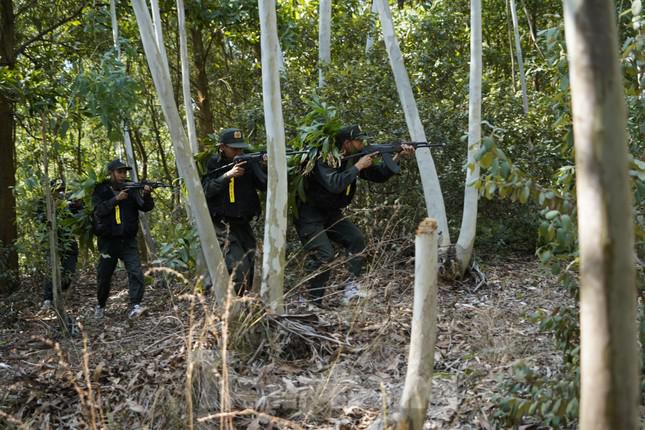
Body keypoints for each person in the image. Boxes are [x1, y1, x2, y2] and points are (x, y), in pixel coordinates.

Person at [294, 125, 414, 304]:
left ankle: (351, 288)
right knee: (324, 255)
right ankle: (312, 300)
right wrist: (358, 166)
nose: (362, 144)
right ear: (347, 143)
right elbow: (335, 183)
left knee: (356, 239)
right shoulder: (323, 158)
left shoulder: (354, 158)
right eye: (359, 141)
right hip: (309, 214)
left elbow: (379, 175)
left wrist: (397, 156)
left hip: (331, 213)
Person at [202, 128, 267, 294]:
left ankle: (246, 301)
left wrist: (264, 167)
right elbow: (206, 190)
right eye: (234, 148)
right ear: (222, 147)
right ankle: (234, 305)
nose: (239, 152)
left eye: (241, 148)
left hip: (243, 223)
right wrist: (228, 175)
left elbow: (265, 185)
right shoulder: (213, 163)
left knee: (251, 262)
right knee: (239, 267)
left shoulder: (249, 162)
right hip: (223, 223)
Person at [92, 159, 154, 319]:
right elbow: (98, 211)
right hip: (108, 241)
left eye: (124, 172)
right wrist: (116, 199)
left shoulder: (132, 189)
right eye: (119, 172)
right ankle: (101, 305)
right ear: (111, 173)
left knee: (136, 272)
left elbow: (145, 206)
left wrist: (147, 194)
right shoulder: (100, 190)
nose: (122, 175)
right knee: (104, 275)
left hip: (128, 240)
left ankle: (135, 305)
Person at [40, 180, 81, 310]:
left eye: (62, 189)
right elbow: (40, 219)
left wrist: (78, 203)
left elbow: (81, 212)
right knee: (51, 269)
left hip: (69, 242)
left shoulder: (69, 203)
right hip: (52, 241)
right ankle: (48, 299)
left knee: (69, 271)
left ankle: (60, 293)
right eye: (57, 190)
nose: (60, 193)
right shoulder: (44, 204)